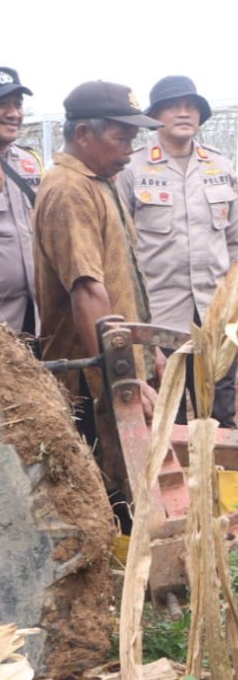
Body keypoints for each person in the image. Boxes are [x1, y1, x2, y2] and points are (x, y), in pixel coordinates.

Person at [32, 81, 163, 530]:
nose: (130, 150)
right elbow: (87, 291)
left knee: (130, 481)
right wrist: (120, 376)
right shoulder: (69, 190)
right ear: (84, 133)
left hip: (116, 358)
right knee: (108, 491)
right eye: (121, 138)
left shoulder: (100, 182)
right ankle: (116, 587)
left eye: (133, 139)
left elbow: (123, 278)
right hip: (90, 376)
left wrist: (148, 349)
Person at [118, 76, 238, 427]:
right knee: (169, 420)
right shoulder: (131, 169)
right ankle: (174, 483)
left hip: (217, 315)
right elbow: (120, 249)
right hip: (160, 319)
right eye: (174, 106)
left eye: (191, 106)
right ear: (155, 115)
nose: (184, 113)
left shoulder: (219, 167)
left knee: (222, 416)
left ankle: (223, 481)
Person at [0, 67, 43, 343]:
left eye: (18, 104)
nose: (14, 113)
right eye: (2, 105)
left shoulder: (30, 162)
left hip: (36, 320)